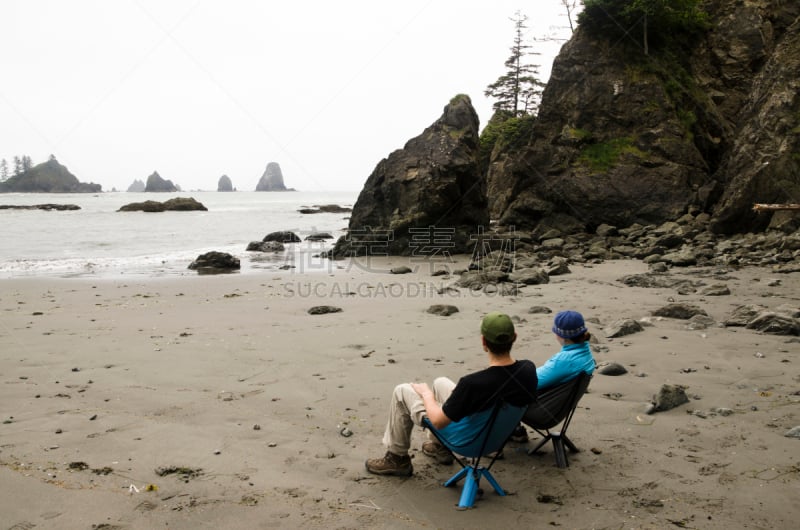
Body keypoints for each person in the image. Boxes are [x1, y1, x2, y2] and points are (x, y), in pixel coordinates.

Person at [365, 311, 538, 476]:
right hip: (495, 439)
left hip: (468, 442)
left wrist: (426, 395)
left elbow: (439, 422)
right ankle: (439, 447)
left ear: (484, 342)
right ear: (514, 337)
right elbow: (492, 390)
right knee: (441, 382)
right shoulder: (528, 370)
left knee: (402, 391)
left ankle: (397, 459)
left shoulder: (473, 383)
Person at [510, 309, 596, 443]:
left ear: (561, 336)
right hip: (557, 409)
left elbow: (531, 382)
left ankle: (505, 434)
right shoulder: (586, 355)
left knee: (504, 388)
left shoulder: (565, 360)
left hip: (542, 413)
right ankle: (515, 430)